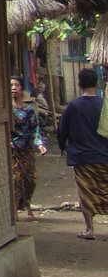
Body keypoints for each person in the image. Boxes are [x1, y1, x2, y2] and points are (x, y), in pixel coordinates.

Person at [56, 67, 108, 239]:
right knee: (105, 190)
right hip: (104, 156)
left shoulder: (73, 106)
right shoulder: (104, 105)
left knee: (86, 192)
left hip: (82, 157)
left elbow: (62, 129)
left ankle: (90, 230)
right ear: (97, 83)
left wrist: (62, 146)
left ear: (79, 84)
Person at [10, 77, 47, 219]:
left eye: (17, 85)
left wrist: (40, 145)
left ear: (21, 88)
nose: (14, 88)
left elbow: (35, 129)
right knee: (15, 180)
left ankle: (28, 206)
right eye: (11, 85)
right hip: (12, 151)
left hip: (27, 150)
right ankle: (15, 211)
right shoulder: (6, 110)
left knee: (30, 179)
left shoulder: (28, 109)